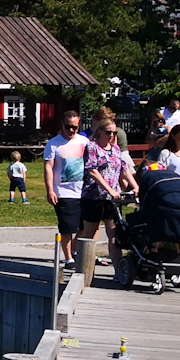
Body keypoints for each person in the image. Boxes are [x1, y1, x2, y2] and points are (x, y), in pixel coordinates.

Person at [79, 120, 137, 264]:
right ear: (99, 131)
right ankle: (83, 267)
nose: (111, 135)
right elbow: (93, 171)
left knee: (114, 234)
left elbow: (124, 169)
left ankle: (118, 270)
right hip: (93, 197)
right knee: (89, 234)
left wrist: (135, 186)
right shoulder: (92, 147)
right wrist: (109, 189)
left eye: (114, 133)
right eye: (108, 132)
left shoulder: (115, 149)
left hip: (112, 199)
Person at [45, 111, 87, 262]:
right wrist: (50, 190)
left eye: (74, 127)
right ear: (62, 125)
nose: (71, 130)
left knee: (84, 227)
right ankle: (68, 258)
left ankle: (74, 250)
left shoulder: (84, 142)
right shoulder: (53, 144)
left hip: (83, 191)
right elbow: (48, 167)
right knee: (67, 227)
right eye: (68, 127)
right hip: (63, 192)